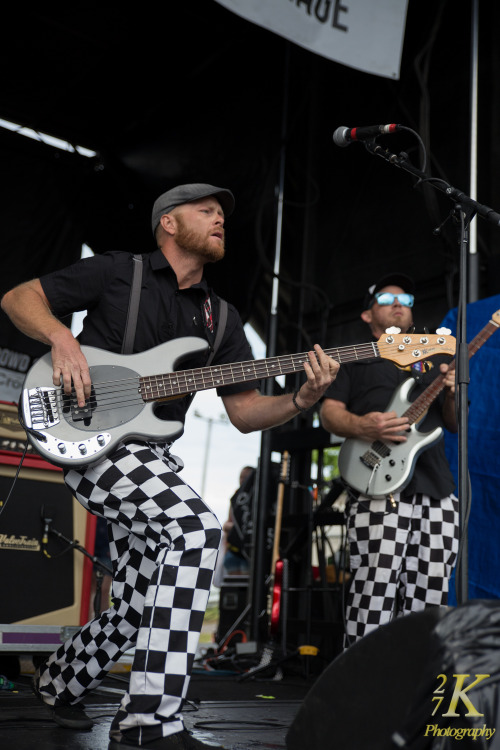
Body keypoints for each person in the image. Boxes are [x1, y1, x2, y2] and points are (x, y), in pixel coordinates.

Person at [1, 183, 339, 750]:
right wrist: (62, 337)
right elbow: (18, 298)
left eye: (222, 215)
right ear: (168, 224)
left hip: (151, 453)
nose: (219, 220)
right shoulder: (117, 273)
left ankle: (60, 682)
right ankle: (149, 722)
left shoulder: (221, 319)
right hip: (89, 437)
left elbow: (246, 413)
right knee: (196, 527)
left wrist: (302, 400)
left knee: (139, 602)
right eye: (205, 211)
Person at [320, 272, 459, 647]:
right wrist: (364, 426)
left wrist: (449, 394)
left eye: (406, 301)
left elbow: (455, 422)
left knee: (430, 597)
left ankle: (412, 689)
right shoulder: (354, 358)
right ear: (368, 315)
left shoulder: (433, 357)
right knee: (374, 592)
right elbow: (328, 414)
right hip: (376, 484)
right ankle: (362, 694)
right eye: (386, 299)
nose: (399, 304)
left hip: (438, 489)